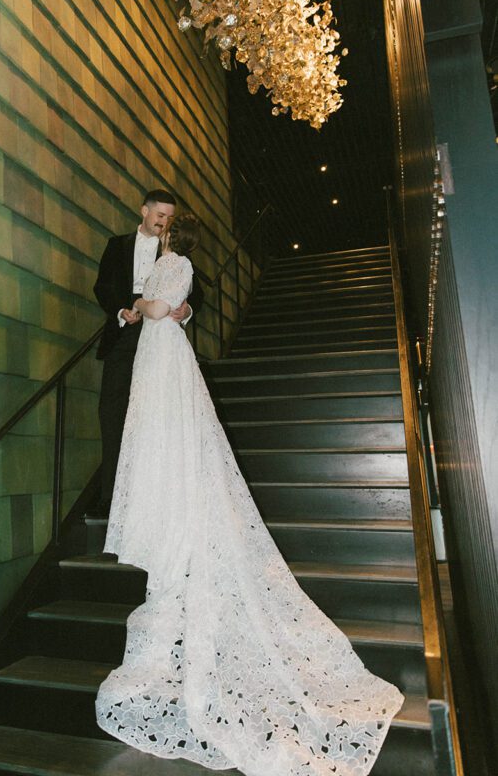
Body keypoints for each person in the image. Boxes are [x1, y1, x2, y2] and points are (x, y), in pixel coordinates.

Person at [96, 214, 404, 776]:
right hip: (159, 357)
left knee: (170, 429)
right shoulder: (178, 263)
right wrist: (151, 307)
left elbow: (165, 309)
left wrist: (143, 306)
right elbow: (172, 308)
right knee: (161, 428)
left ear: (171, 237)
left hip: (162, 354)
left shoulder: (174, 263)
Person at [92, 190, 204, 518]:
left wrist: (185, 309)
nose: (165, 223)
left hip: (158, 340)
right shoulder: (117, 246)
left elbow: (198, 293)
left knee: (156, 417)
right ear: (144, 211)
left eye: (170, 218)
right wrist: (120, 311)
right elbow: (102, 286)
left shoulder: (175, 248)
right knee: (112, 414)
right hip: (124, 338)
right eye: (160, 216)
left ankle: (153, 500)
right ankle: (111, 498)